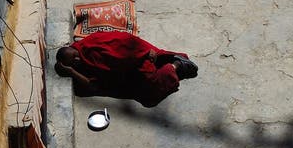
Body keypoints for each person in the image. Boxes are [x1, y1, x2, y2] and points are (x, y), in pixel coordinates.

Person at [55, 30, 198, 107]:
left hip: (138, 54)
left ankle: (175, 65)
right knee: (147, 99)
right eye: (73, 63)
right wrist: (72, 72)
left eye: (75, 55)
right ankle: (174, 65)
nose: (77, 60)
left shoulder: (90, 43)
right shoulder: (82, 66)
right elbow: (93, 85)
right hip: (130, 67)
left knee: (151, 88)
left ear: (74, 47)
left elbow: (121, 40)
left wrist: (144, 53)